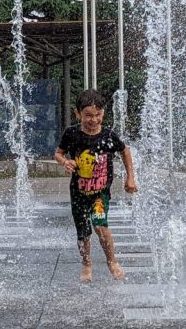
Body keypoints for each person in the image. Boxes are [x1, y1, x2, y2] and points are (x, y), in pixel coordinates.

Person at [54, 89, 138, 282]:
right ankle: (86, 264)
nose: (93, 120)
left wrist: (130, 178)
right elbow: (58, 153)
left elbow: (125, 152)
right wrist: (64, 162)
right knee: (83, 232)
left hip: (100, 193)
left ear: (103, 113)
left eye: (98, 115)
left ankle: (112, 261)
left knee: (100, 225)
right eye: (88, 116)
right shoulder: (72, 134)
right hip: (79, 192)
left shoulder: (108, 136)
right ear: (78, 114)